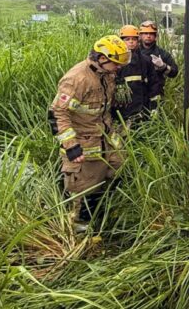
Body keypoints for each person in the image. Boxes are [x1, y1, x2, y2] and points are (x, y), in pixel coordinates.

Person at [48, 35, 130, 232]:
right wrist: (71, 146)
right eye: (116, 64)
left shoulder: (106, 73)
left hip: (106, 138)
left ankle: (105, 214)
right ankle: (81, 232)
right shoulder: (77, 79)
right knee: (85, 190)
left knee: (119, 170)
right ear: (102, 58)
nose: (118, 68)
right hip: (85, 145)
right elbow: (57, 113)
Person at [113, 25, 162, 124]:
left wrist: (154, 107)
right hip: (121, 108)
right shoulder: (115, 60)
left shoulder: (145, 60)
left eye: (134, 39)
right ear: (121, 41)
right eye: (127, 39)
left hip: (141, 107)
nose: (131, 42)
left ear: (138, 41)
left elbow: (154, 84)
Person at [138, 20, 178, 96]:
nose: (148, 36)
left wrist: (163, 66)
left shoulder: (162, 54)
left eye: (151, 34)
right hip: (139, 95)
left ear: (156, 36)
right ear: (140, 36)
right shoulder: (135, 53)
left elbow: (174, 72)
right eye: (145, 33)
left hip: (156, 94)